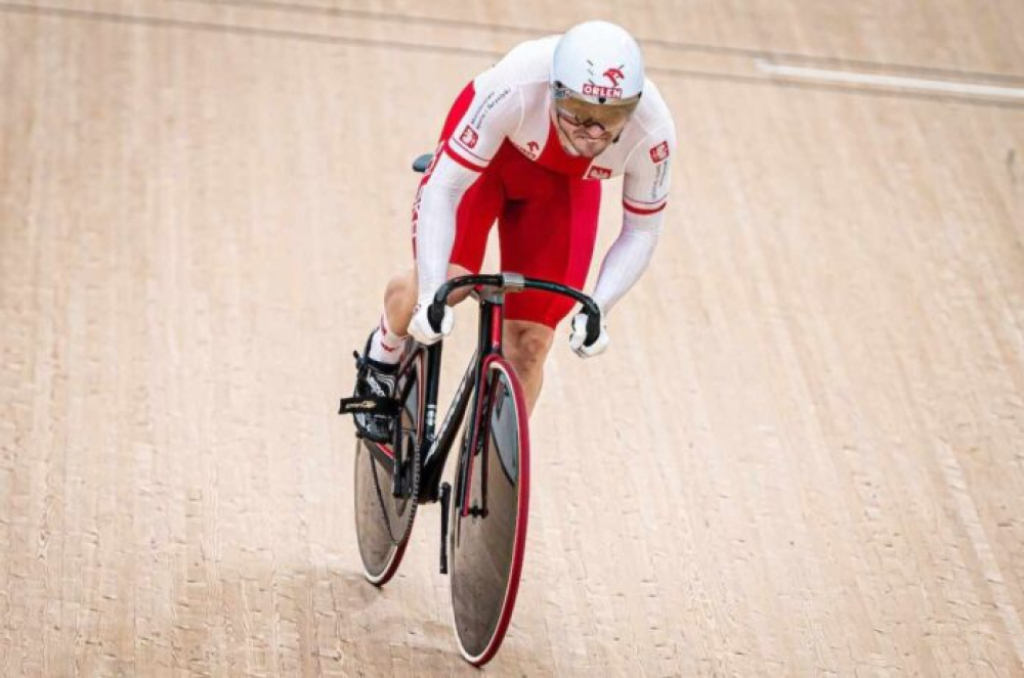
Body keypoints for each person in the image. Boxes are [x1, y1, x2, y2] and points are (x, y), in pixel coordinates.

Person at [353, 20, 676, 442]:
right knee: (448, 284)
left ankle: (491, 472)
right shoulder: (516, 85)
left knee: (531, 343)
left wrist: (599, 306)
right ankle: (382, 354)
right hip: (491, 163)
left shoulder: (653, 133)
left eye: (609, 119)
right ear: (555, 90)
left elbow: (642, 232)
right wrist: (432, 289)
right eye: (579, 113)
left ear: (632, 109)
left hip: (562, 187)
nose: (592, 133)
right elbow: (445, 188)